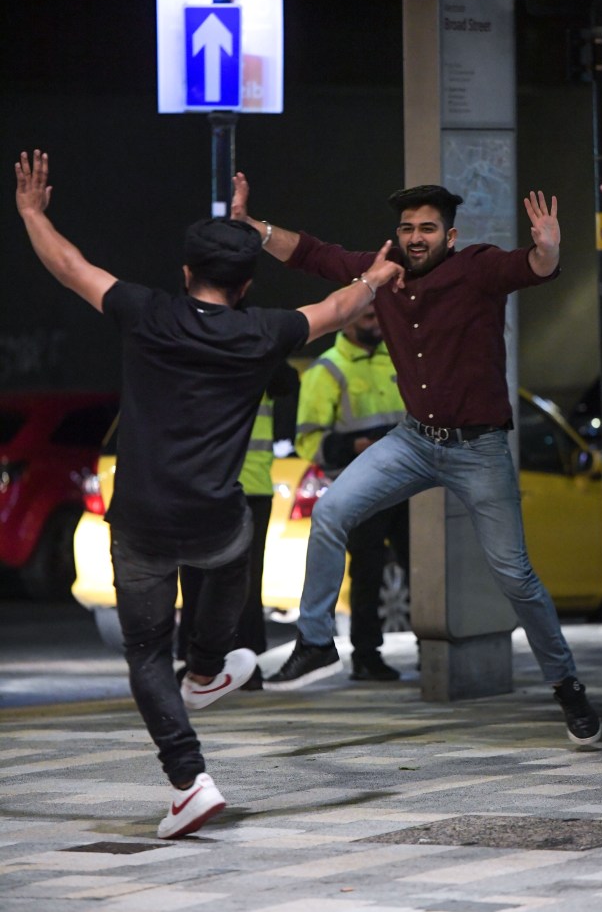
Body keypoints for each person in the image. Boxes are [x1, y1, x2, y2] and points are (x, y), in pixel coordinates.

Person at [14, 149, 404, 839]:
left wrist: (30, 214)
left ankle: (189, 778)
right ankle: (206, 666)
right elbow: (340, 306)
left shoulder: (145, 313)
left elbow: (70, 265)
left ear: (185, 274)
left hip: (141, 519)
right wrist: (375, 274)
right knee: (228, 572)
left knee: (143, 652)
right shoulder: (264, 331)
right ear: (249, 281)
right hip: (219, 520)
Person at [231, 171, 602, 746]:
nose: (416, 237)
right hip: (413, 440)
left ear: (449, 236)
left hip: (478, 449)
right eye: (407, 228)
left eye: (428, 228)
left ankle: (567, 686)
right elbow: (312, 254)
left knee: (515, 575)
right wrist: (255, 229)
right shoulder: (385, 272)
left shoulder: (476, 268)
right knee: (331, 514)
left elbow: (530, 267)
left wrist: (549, 249)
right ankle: (315, 642)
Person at [289, 304, 408, 683]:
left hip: (409, 483)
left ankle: (432, 647)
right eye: (368, 317)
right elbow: (308, 442)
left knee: (422, 569)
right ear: (347, 320)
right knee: (367, 572)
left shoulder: (400, 358)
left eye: (379, 315)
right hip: (360, 485)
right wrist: (353, 446)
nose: (376, 323)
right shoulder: (327, 369)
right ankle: (366, 655)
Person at [178, 361, 300, 691]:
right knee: (200, 577)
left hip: (240, 485)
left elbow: (286, 381)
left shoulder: (254, 349)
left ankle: (240, 664)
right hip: (213, 484)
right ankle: (202, 663)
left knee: (230, 580)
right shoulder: (200, 349)